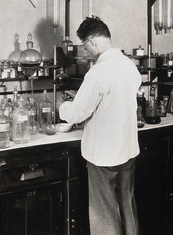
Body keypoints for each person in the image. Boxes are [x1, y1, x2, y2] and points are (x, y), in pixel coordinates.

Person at [59, 16, 142, 235]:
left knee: (104, 212)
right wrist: (82, 97)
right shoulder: (129, 65)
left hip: (104, 153)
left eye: (85, 45)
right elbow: (114, 98)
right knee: (127, 206)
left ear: (93, 40)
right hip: (127, 148)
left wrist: (64, 106)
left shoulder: (98, 71)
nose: (86, 51)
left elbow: (77, 114)